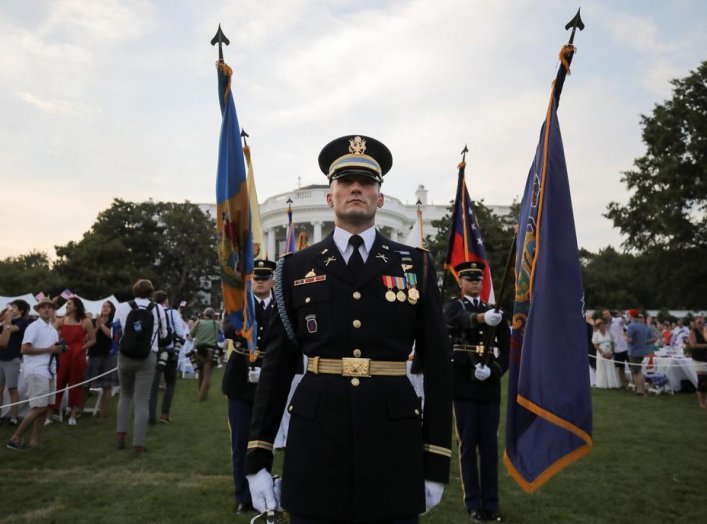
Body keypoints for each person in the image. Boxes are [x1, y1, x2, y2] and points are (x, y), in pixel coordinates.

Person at [245, 135, 452, 524]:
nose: (356, 187)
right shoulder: (293, 268)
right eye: (344, 180)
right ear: (330, 196)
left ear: (380, 197)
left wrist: (436, 461)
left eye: (367, 181)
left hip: (392, 439)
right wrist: (257, 456)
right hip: (316, 438)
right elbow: (276, 368)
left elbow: (438, 369)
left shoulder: (415, 266)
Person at [443, 261, 508, 522]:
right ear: (460, 283)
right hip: (463, 384)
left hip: (487, 384)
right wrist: (481, 318)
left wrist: (494, 370)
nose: (474, 283)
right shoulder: (453, 305)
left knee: (490, 446)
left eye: (478, 280)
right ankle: (473, 502)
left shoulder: (496, 311)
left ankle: (491, 504)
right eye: (469, 279)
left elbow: (506, 349)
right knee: (468, 445)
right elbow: (453, 320)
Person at [223, 259, 276, 514]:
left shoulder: (281, 305)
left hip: (270, 378)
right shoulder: (239, 304)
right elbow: (229, 329)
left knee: (264, 442)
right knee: (241, 440)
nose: (260, 280)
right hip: (241, 379)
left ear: (273, 280)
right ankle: (244, 496)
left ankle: (264, 493)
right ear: (249, 280)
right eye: (256, 277)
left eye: (265, 277)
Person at [113, 279, 167, 455]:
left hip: (125, 355)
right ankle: (138, 444)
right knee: (142, 401)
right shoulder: (158, 309)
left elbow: (115, 330)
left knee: (125, 395)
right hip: (148, 355)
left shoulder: (122, 307)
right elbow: (164, 334)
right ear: (151, 292)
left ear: (134, 291)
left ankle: (121, 436)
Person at [6, 298, 62, 449]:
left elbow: (53, 351)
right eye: (43, 307)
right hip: (36, 370)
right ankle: (15, 438)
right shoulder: (33, 326)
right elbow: (24, 349)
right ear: (38, 310)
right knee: (39, 407)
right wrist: (49, 349)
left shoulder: (53, 330)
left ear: (53, 310)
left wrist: (58, 350)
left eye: (49, 307)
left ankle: (34, 442)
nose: (46, 309)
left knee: (45, 407)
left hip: (49, 371)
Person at [53, 296, 96, 425]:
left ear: (76, 306)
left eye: (69, 304)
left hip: (78, 356)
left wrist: (82, 348)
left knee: (75, 384)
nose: (67, 306)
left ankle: (72, 415)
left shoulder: (85, 321)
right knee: (59, 383)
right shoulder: (61, 320)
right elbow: (50, 330)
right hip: (64, 354)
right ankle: (52, 413)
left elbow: (93, 339)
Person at [149, 290, 187, 424]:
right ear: (166, 300)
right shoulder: (172, 312)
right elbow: (180, 332)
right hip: (170, 350)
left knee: (153, 384)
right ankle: (164, 414)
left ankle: (150, 416)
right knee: (170, 383)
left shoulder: (150, 312)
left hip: (154, 350)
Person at [84, 300, 119, 418]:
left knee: (107, 385)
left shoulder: (114, 322)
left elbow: (111, 335)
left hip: (109, 356)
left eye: (108, 307)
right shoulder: (93, 321)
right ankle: (79, 409)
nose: (105, 308)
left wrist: (102, 325)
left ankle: (103, 412)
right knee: (86, 383)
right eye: (103, 306)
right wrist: (97, 326)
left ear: (112, 309)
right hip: (94, 354)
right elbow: (88, 337)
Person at [0, 300, 31, 425]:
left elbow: (11, 329)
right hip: (1, 358)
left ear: (21, 310)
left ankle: (13, 417)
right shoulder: (6, 321)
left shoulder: (22, 322)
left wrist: (6, 320)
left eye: (14, 306)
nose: (11, 308)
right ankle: (1, 414)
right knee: (0, 388)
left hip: (12, 359)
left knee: (12, 389)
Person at [190, 307, 221, 401]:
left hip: (198, 350)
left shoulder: (198, 322)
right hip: (210, 351)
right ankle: (201, 396)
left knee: (200, 372)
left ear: (204, 314)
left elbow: (191, 335)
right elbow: (218, 334)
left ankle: (201, 392)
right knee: (207, 375)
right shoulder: (216, 324)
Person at [626, 310, 656, 396]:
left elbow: (630, 340)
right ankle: (638, 389)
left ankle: (641, 390)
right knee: (635, 371)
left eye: (628, 315)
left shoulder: (631, 326)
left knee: (638, 371)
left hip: (634, 351)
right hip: (642, 351)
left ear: (631, 316)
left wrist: (624, 337)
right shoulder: (643, 326)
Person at [603, 309, 629, 389]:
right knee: (620, 368)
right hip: (617, 349)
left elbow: (627, 320)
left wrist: (621, 315)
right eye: (604, 315)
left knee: (632, 367)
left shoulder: (618, 320)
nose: (606, 315)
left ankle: (635, 384)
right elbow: (608, 339)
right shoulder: (607, 326)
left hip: (625, 347)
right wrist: (610, 350)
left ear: (610, 314)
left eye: (606, 314)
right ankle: (624, 384)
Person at [685, 317, 707, 409]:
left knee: (706, 381)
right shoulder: (692, 332)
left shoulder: (705, 331)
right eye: (699, 322)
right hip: (698, 359)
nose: (701, 324)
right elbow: (693, 345)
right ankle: (701, 402)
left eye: (702, 322)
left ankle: (705, 401)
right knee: (702, 380)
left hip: (706, 358)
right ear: (695, 323)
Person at [592, 318, 619, 389]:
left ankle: (611, 384)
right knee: (602, 368)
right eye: (600, 325)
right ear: (598, 326)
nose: (603, 326)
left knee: (610, 367)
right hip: (601, 354)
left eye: (603, 324)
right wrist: (603, 354)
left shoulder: (609, 333)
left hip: (609, 353)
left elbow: (613, 343)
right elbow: (595, 345)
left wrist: (612, 353)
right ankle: (602, 385)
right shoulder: (596, 334)